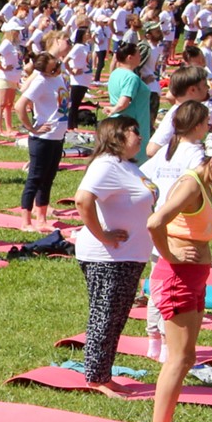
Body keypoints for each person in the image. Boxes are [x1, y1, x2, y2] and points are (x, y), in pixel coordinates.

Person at [145, 132, 212, 422]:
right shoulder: (191, 184)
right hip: (176, 277)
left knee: (187, 357)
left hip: (194, 278)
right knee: (178, 357)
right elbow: (155, 221)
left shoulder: (206, 185)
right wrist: (171, 254)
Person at [71, 117, 154, 396]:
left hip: (128, 256)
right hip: (107, 257)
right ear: (117, 135)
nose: (140, 137)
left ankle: (103, 374)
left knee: (116, 317)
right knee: (104, 316)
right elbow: (83, 199)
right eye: (134, 131)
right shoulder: (106, 164)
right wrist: (102, 235)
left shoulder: (128, 166)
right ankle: (95, 378)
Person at [15, 51, 70, 230]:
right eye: (53, 67)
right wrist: (31, 127)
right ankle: (25, 221)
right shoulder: (41, 81)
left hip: (57, 136)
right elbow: (20, 105)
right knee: (35, 178)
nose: (56, 68)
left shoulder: (58, 78)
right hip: (42, 139)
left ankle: (42, 219)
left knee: (48, 178)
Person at [104, 42, 154, 149]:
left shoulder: (115, 73)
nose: (140, 56)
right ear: (130, 57)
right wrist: (114, 109)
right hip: (134, 122)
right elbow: (124, 101)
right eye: (138, 54)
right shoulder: (131, 77)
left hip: (119, 121)